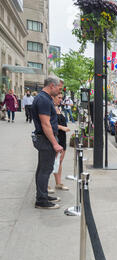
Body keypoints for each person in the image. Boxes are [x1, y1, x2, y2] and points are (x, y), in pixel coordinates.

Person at [31, 76, 64, 210]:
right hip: (46, 139)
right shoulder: (44, 99)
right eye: (59, 88)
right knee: (45, 170)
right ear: (52, 85)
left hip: (44, 138)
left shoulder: (43, 98)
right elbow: (46, 124)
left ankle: (42, 195)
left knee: (43, 169)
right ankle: (41, 200)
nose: (59, 91)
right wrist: (55, 143)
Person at [51, 93, 70, 191]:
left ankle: (58, 183)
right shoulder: (50, 108)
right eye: (59, 98)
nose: (60, 100)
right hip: (56, 137)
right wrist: (62, 127)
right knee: (53, 162)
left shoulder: (58, 108)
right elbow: (48, 124)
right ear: (53, 97)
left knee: (59, 161)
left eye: (61, 98)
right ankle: (45, 184)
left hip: (62, 137)